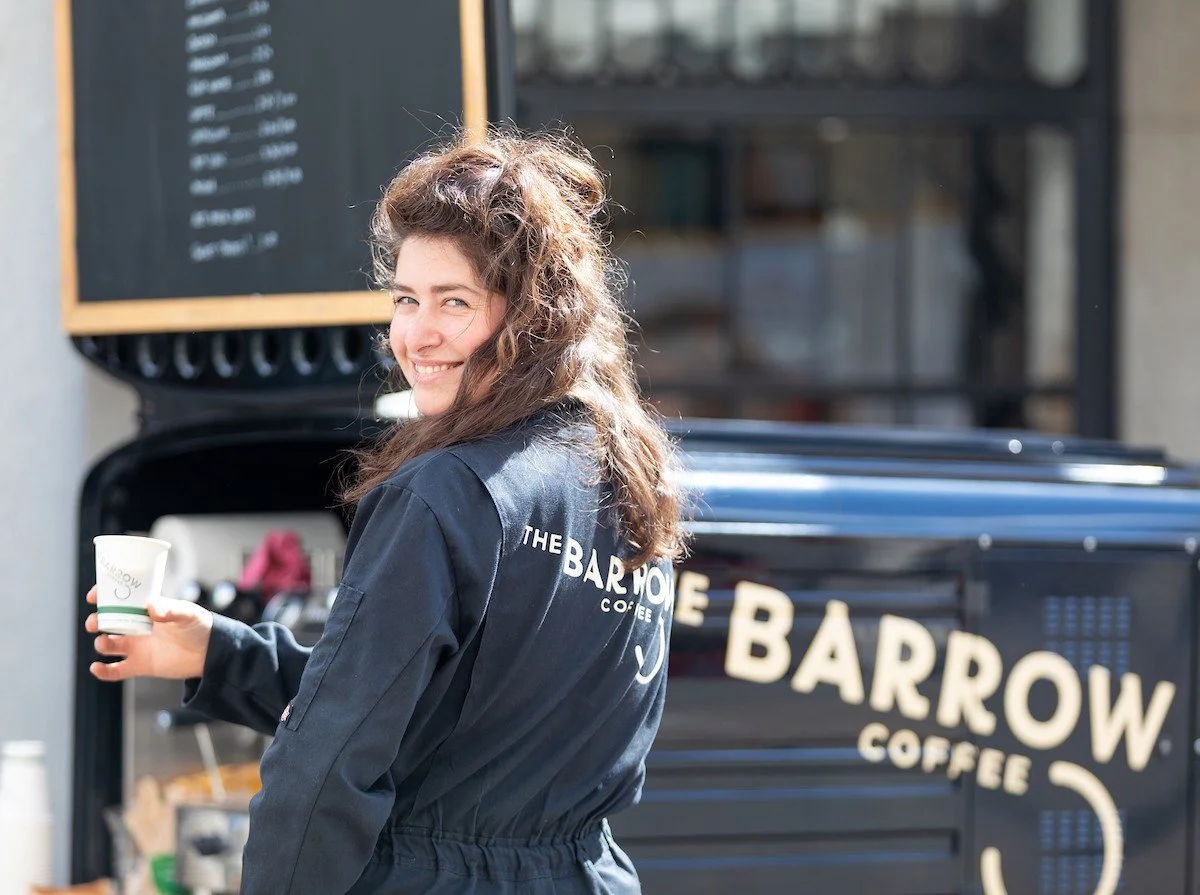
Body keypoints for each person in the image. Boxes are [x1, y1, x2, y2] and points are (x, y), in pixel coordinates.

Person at [86, 128, 688, 895]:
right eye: (406, 298)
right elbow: (452, 716)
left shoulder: (445, 494)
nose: (416, 333)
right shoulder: (631, 481)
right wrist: (224, 654)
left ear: (533, 317)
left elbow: (331, 759)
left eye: (454, 302)